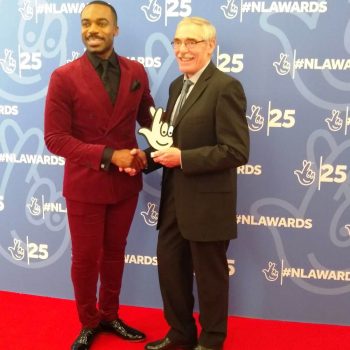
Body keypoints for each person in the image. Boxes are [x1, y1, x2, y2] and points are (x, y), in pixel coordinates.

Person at [44, 1, 154, 349]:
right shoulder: (63, 77)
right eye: (86, 23)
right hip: (84, 185)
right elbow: (55, 139)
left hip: (125, 183)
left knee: (114, 253)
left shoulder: (136, 72)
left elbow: (149, 119)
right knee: (86, 258)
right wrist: (109, 155)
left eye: (101, 23)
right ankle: (89, 322)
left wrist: (158, 146)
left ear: (115, 30)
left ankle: (110, 314)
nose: (92, 29)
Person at [143, 17, 250, 350]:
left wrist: (184, 159)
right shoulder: (177, 86)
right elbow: (169, 141)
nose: (182, 49)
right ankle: (180, 334)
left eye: (192, 42)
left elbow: (235, 150)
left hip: (207, 204)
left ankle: (211, 341)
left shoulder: (225, 87)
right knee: (170, 272)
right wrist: (143, 160)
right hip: (173, 199)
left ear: (210, 46)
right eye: (177, 42)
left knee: (210, 278)